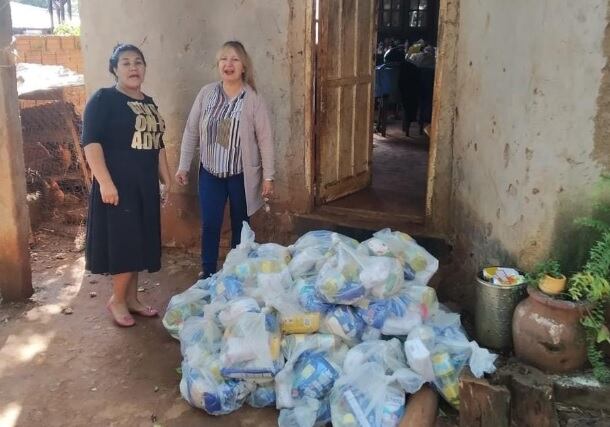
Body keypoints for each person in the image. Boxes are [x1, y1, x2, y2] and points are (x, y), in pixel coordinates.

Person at [82, 44, 171, 327]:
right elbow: (91, 144)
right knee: (124, 242)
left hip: (144, 186)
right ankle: (116, 300)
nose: (133, 68)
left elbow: (157, 145)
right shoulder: (103, 100)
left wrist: (166, 180)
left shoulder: (150, 103)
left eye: (138, 62)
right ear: (114, 69)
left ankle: (131, 299)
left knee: (139, 241)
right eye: (126, 63)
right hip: (117, 186)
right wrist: (105, 182)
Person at [176, 41, 275, 279]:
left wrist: (269, 176)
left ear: (243, 67)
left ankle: (236, 271)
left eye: (234, 59)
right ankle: (208, 270)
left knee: (241, 224)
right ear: (218, 64)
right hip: (211, 173)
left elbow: (265, 139)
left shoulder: (252, 99)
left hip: (241, 174)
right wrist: (183, 166)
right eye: (223, 59)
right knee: (210, 223)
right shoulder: (206, 93)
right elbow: (191, 130)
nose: (228, 64)